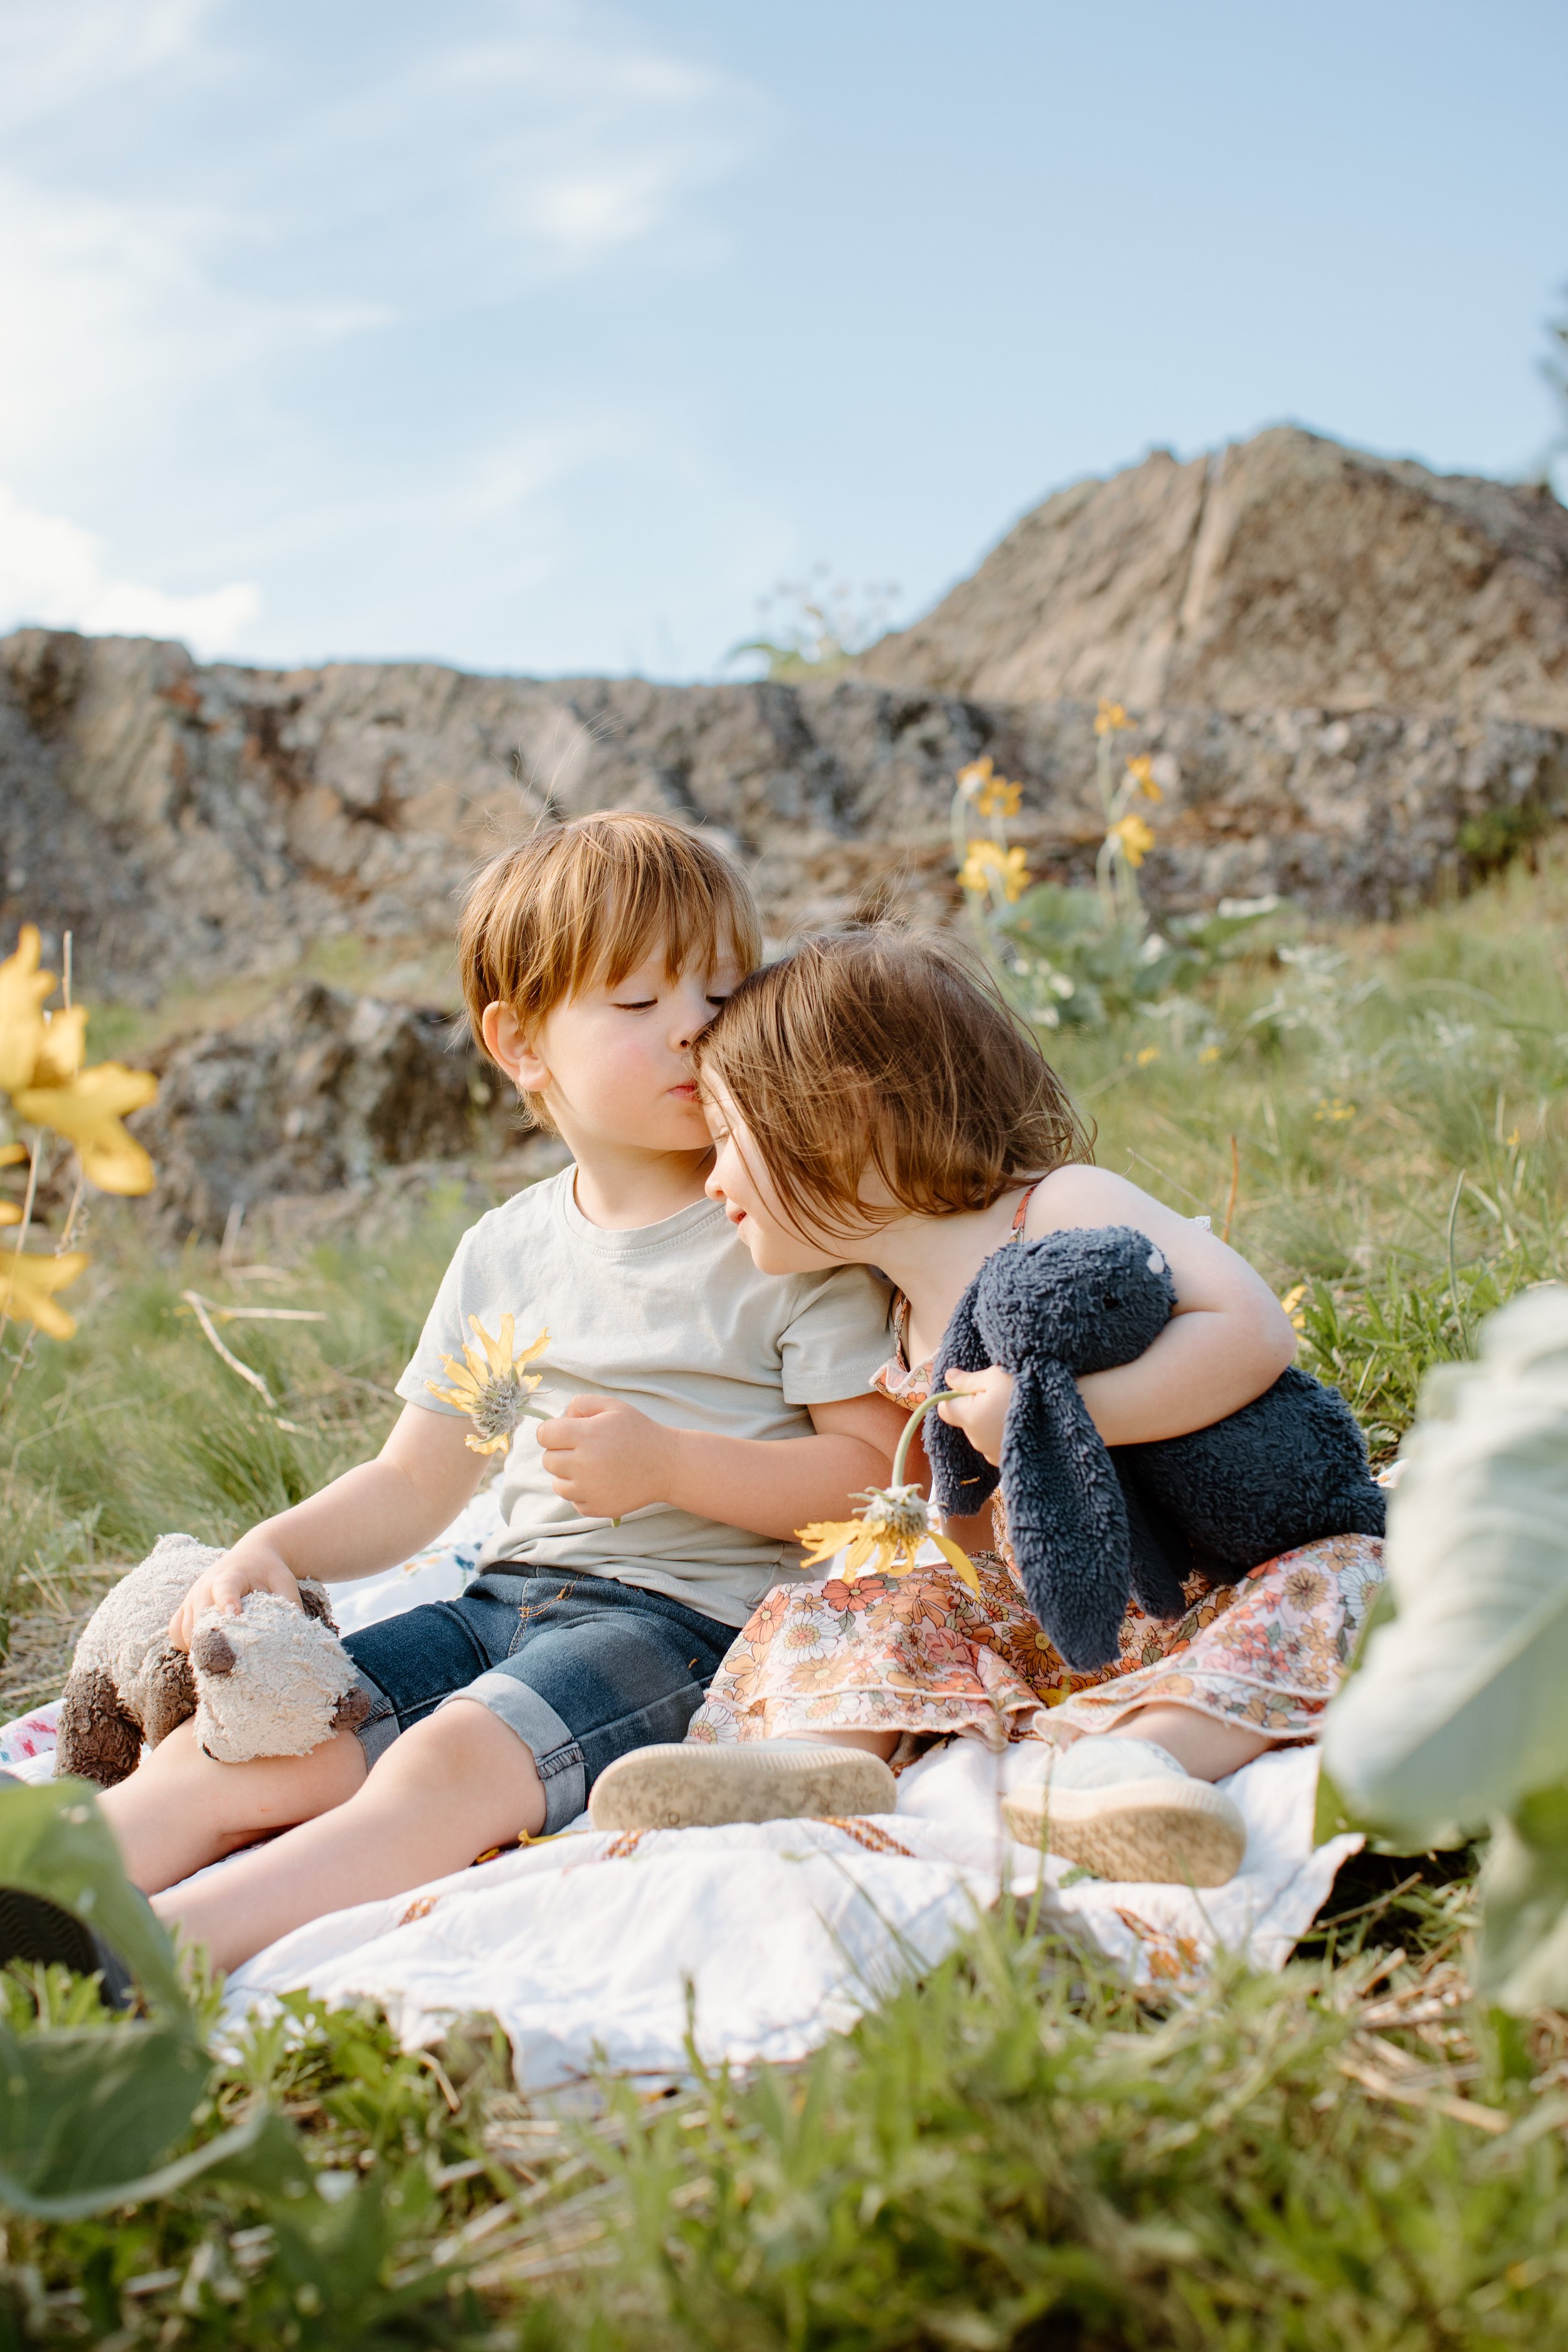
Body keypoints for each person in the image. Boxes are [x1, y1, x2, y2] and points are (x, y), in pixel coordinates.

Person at [99, 817, 906, 1970]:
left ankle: (156, 1948)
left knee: (449, 1767)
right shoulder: (513, 1254)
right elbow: (423, 1476)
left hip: (679, 1627)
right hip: (502, 1598)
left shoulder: (778, 1224)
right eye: (637, 1004)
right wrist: (274, 1547)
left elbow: (879, 1481)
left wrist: (674, 1465)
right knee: (276, 1736)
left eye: (723, 994)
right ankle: (53, 1878)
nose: (692, 1026)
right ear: (522, 1044)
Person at [591, 929, 1385, 1884]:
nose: (711, 1177)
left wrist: (1066, 1416)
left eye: (727, 1136)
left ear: (841, 1118)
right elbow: (967, 1526)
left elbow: (1253, 1331)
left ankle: (1137, 1766)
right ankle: (825, 1752)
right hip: (1062, 1614)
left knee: (1349, 1581)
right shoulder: (894, 1316)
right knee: (862, 1600)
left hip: (1220, 1572)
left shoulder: (1057, 1207)